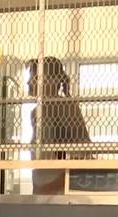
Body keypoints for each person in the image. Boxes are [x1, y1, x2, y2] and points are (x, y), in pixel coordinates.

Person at [26, 57, 91, 195]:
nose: (29, 82)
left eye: (35, 77)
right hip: (41, 191)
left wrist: (58, 183)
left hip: (60, 194)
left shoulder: (66, 107)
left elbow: (84, 152)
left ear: (53, 81)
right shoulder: (35, 112)